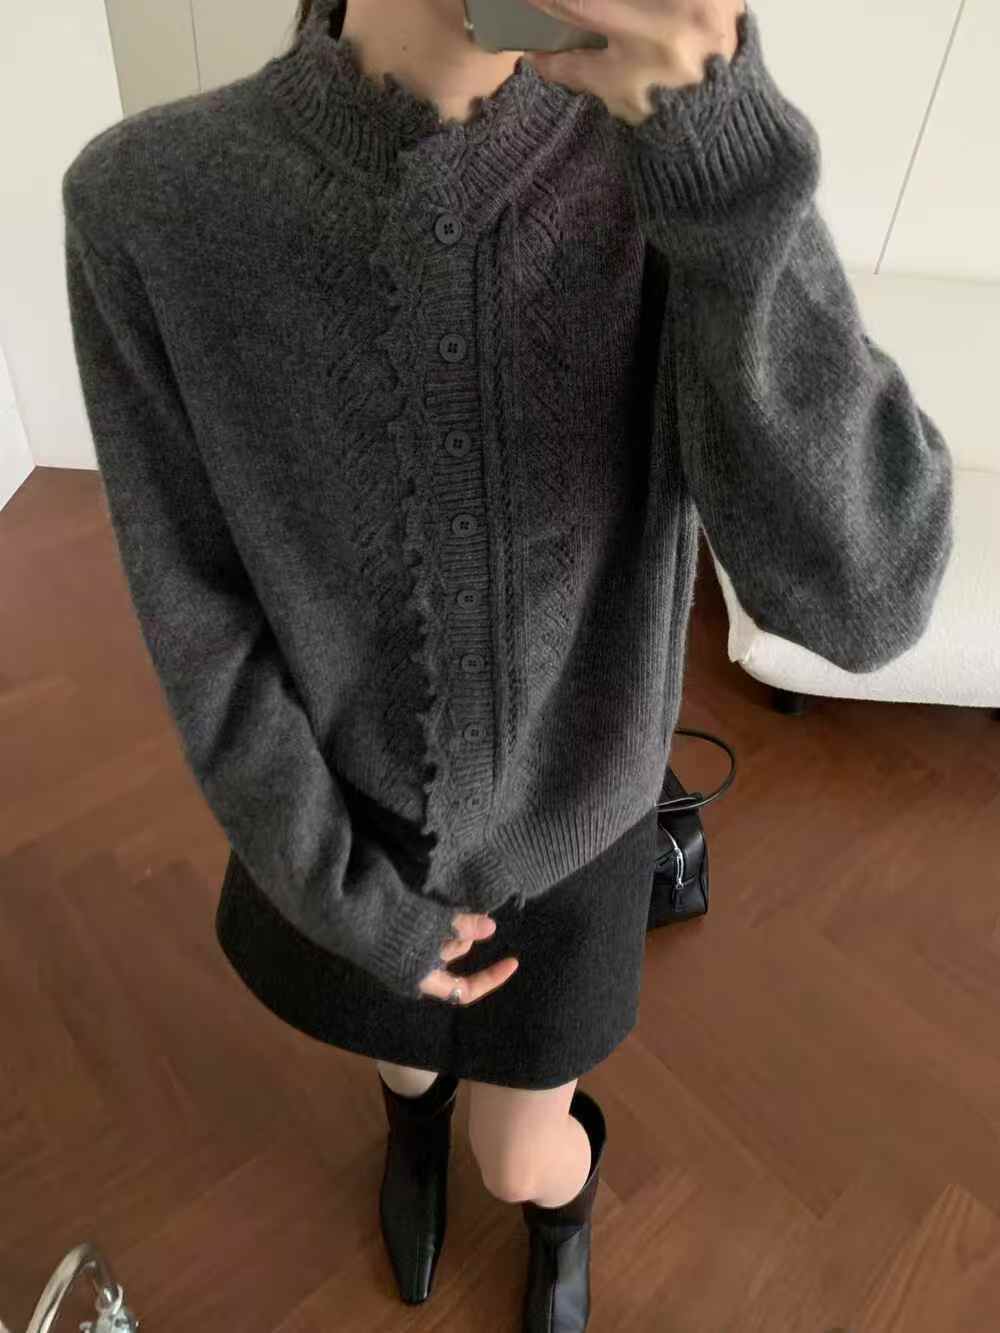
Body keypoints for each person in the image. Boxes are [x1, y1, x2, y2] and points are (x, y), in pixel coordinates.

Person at [61, 0, 954, 1327]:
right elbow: (199, 615)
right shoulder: (153, 202)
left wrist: (722, 151)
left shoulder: (668, 167)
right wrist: (349, 900)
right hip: (333, 836)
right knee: (405, 1072)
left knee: (523, 1151)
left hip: (575, 831)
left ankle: (558, 1210)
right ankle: (408, 1128)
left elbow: (867, 600)